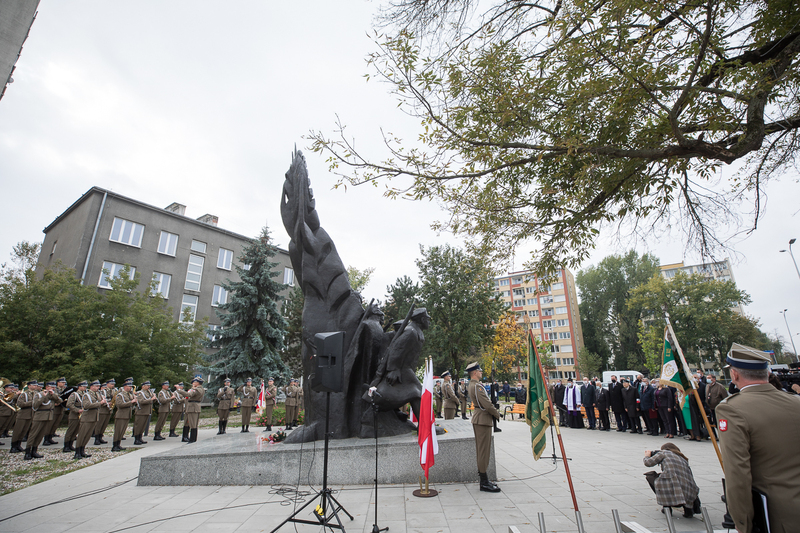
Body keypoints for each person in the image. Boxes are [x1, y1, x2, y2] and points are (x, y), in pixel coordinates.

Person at [715, 347, 800, 532]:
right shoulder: (796, 401)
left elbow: (738, 472)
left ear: (734, 374)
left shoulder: (732, 409)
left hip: (776, 516)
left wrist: (742, 521)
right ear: (767, 373)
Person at [466, 361, 501, 492]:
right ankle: (484, 481)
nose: (481, 373)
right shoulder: (477, 387)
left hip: (481, 419)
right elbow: (486, 404)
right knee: (483, 451)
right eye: (480, 371)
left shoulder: (474, 385)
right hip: (482, 420)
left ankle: (485, 479)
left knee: (483, 451)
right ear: (475, 373)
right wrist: (496, 413)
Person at [643, 443, 701, 518]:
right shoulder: (683, 458)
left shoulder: (664, 452)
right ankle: (687, 509)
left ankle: (666, 506)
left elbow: (648, 463)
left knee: (652, 477)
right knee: (675, 478)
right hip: (690, 490)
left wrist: (647, 456)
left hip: (673, 488)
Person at [27, 381, 61, 460]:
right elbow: (35, 405)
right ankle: (28, 452)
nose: (53, 388)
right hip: (39, 416)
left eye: (54, 387)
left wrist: (53, 395)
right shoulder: (39, 394)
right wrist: (43, 397)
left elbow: (59, 401)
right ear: (47, 387)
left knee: (40, 435)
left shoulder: (52, 395)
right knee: (33, 434)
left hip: (48, 417)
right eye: (51, 387)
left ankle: (34, 450)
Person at [75, 380, 105, 459]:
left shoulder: (97, 394)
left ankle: (82, 450)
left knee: (87, 436)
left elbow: (99, 404)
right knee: (82, 435)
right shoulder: (87, 395)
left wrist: (104, 402)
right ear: (92, 386)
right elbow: (86, 405)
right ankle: (77, 452)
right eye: (96, 386)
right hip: (87, 418)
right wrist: (100, 403)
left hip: (94, 417)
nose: (98, 388)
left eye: (98, 386)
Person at [9, 380, 36, 454]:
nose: (35, 386)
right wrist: (32, 403)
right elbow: (20, 404)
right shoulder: (24, 394)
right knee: (18, 431)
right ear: (29, 386)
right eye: (33, 385)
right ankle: (13, 446)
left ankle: (18, 445)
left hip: (30, 414)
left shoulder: (35, 394)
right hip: (23, 414)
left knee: (24, 431)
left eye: (36, 385)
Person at [176, 376, 205, 444]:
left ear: (198, 383)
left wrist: (179, 390)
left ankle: (192, 439)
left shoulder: (196, 389)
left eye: (194, 382)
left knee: (192, 424)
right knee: (194, 423)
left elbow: (188, 394)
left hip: (192, 407)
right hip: (195, 407)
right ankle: (192, 438)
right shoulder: (200, 389)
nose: (193, 383)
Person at [63, 381, 87, 453]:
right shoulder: (74, 394)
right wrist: (77, 410)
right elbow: (69, 404)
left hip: (81, 414)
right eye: (83, 386)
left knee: (76, 431)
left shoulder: (84, 394)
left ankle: (71, 444)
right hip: (74, 414)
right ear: (79, 386)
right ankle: (66, 446)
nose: (85, 388)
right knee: (71, 430)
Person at [111, 379, 135, 451]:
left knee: (122, 431)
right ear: (125, 387)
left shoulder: (129, 394)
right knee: (118, 431)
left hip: (127, 414)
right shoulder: (120, 395)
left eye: (131, 386)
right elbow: (119, 405)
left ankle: (118, 444)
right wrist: (131, 402)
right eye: (129, 386)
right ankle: (115, 445)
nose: (130, 388)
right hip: (121, 415)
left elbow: (131, 403)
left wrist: (134, 402)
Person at [44, 377, 68, 446]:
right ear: (58, 383)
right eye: (62, 382)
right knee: (50, 424)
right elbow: (56, 398)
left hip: (61, 408)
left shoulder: (64, 389)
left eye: (64, 382)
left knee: (55, 424)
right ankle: (46, 439)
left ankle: (50, 437)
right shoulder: (54, 390)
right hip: (54, 408)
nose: (64, 384)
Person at [93, 379, 116, 445]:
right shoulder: (103, 391)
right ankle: (96, 438)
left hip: (109, 410)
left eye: (113, 384)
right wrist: (107, 404)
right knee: (99, 425)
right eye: (111, 384)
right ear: (107, 384)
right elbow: (99, 400)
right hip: (102, 410)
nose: (113, 385)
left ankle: (100, 437)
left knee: (104, 425)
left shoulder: (114, 391)